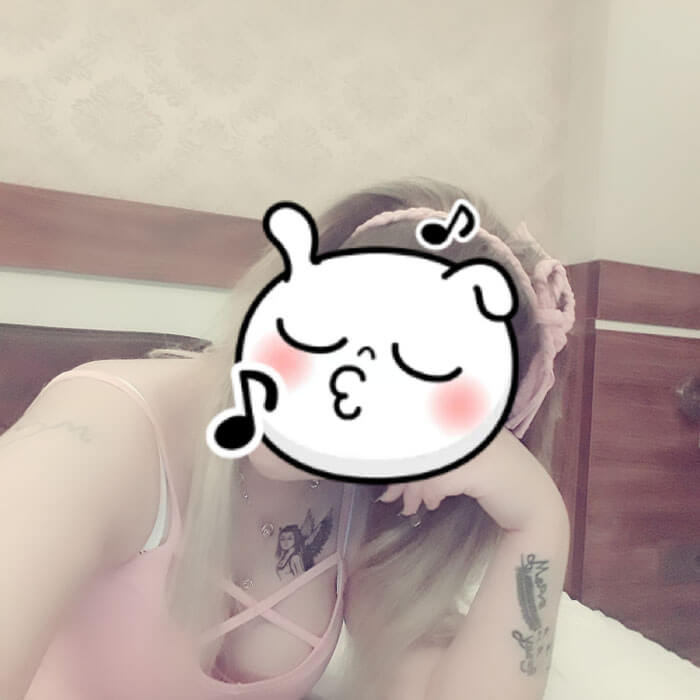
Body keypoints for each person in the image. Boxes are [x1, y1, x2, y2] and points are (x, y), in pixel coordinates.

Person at [0, 176, 575, 700]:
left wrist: (538, 519)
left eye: (416, 370)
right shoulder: (104, 432)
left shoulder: (358, 504)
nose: (350, 382)